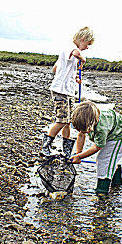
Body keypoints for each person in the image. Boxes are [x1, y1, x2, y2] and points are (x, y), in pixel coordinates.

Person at [41, 26, 95, 158]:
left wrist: (73, 77)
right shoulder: (70, 48)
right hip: (61, 92)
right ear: (82, 39)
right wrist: (83, 59)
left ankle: (66, 149)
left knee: (68, 120)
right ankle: (45, 146)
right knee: (62, 119)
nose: (87, 47)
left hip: (66, 91)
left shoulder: (67, 53)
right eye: (88, 44)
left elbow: (55, 69)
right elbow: (76, 53)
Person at [71, 100, 122, 195]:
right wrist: (79, 153)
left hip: (118, 135)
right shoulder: (88, 120)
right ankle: (116, 181)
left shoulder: (101, 129)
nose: (83, 131)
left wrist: (80, 157)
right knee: (109, 158)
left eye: (85, 129)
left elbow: (97, 146)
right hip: (111, 130)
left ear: (93, 123)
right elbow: (81, 135)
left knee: (104, 160)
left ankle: (102, 189)